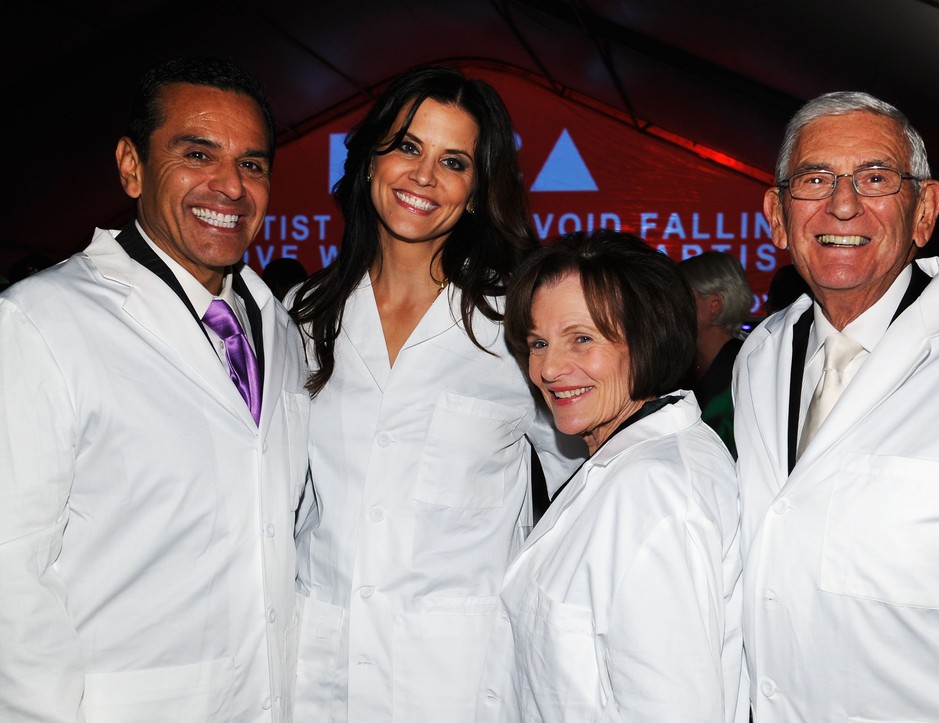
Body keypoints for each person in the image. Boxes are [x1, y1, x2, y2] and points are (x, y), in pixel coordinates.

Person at [0, 57, 310, 721]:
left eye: (252, 164)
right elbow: (9, 575)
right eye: (197, 154)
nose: (231, 185)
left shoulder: (280, 330)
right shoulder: (41, 322)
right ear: (132, 166)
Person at [287, 65, 585, 722]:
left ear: (476, 192)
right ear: (370, 161)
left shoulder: (515, 322)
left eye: (453, 162)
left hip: (456, 682)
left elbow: (584, 486)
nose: (424, 176)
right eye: (407, 147)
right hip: (317, 674)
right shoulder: (304, 316)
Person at [733, 90, 939, 721]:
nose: (842, 204)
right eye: (815, 179)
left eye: (875, 177)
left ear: (925, 210)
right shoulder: (760, 356)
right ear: (777, 216)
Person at [476, 230, 745, 722]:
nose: (549, 368)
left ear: (647, 337)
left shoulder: (654, 490)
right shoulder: (625, 460)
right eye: (538, 343)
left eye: (582, 339)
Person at [679, 250, 754, 457]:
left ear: (714, 305)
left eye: (681, 297)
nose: (668, 307)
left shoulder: (746, 369)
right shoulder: (679, 366)